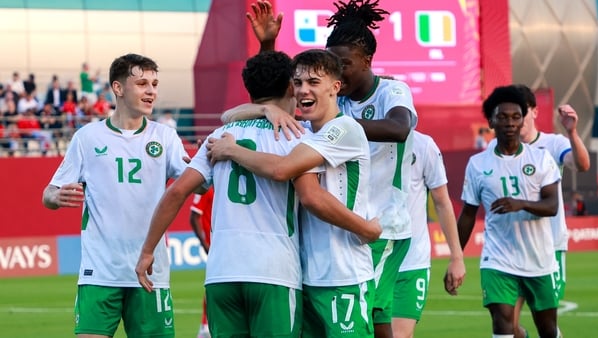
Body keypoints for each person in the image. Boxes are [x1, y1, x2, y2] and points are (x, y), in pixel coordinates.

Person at [246, 2, 427, 336]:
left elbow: (400, 128)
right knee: (375, 314)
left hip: (380, 223)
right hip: (341, 226)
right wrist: (268, 45)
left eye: (344, 65)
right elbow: (274, 93)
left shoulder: (390, 90)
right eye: (332, 66)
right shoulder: (331, 97)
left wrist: (337, 129)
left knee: (365, 310)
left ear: (367, 61)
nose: (337, 74)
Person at [207, 49, 381, 337]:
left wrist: (232, 150)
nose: (303, 90)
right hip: (306, 276)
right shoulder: (302, 133)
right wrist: (265, 109)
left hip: (344, 273)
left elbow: (287, 174)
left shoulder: (344, 129)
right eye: (298, 83)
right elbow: (229, 115)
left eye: (313, 82)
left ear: (335, 87)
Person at [42, 53, 189, 338]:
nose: (151, 91)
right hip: (99, 272)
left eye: (155, 84)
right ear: (118, 88)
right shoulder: (88, 138)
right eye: (142, 83)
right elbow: (48, 194)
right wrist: (56, 198)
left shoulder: (165, 137)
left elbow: (195, 183)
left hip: (150, 273)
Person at [457, 85, 561, 338]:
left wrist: (521, 203)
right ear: (491, 121)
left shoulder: (540, 159)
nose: (510, 122)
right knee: (502, 324)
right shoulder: (478, 164)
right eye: (502, 117)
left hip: (539, 260)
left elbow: (552, 206)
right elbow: (468, 215)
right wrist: (456, 257)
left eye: (516, 116)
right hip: (498, 259)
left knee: (547, 329)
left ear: (523, 119)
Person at [505, 84, 591, 338]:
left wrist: (572, 131)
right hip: (512, 247)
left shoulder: (553, 144)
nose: (515, 118)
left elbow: (582, 164)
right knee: (505, 323)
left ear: (534, 112)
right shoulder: (501, 150)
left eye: (520, 111)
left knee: (547, 326)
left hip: (548, 247)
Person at [392, 130, 466, 338]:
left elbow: (442, 202)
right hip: (369, 260)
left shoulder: (424, 145)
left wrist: (457, 257)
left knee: (399, 335)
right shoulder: (360, 138)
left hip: (411, 261)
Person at [189, 186, 214, 338]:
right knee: (213, 285)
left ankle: (206, 326)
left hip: (226, 246)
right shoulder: (207, 188)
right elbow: (194, 216)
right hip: (214, 246)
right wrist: (205, 244)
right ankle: (205, 326)